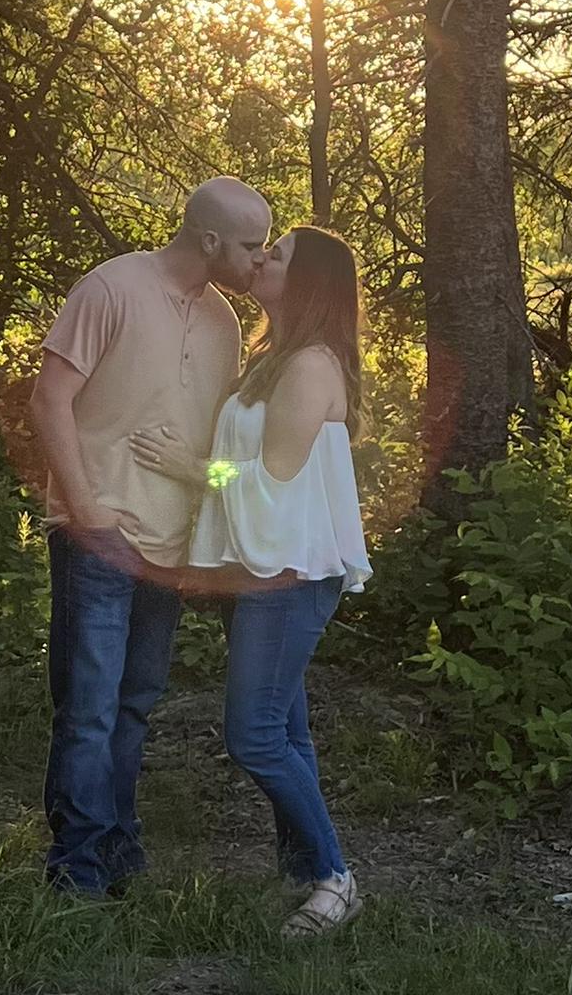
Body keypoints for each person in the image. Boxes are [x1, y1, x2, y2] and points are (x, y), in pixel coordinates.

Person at [28, 175, 272, 898]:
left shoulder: (226, 322)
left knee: (132, 706)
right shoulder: (111, 288)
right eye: (251, 245)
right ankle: (76, 870)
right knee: (89, 709)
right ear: (210, 240)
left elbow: (215, 446)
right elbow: (48, 399)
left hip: (171, 549)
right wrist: (87, 511)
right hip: (99, 536)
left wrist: (210, 519)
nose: (260, 259)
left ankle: (119, 848)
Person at [129, 224, 371, 939]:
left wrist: (186, 470)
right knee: (287, 731)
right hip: (257, 567)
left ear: (308, 282)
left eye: (281, 254)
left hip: (288, 574)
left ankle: (335, 879)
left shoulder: (311, 368)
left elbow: (272, 478)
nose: (264, 257)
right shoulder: (275, 356)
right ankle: (301, 871)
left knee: (255, 737)